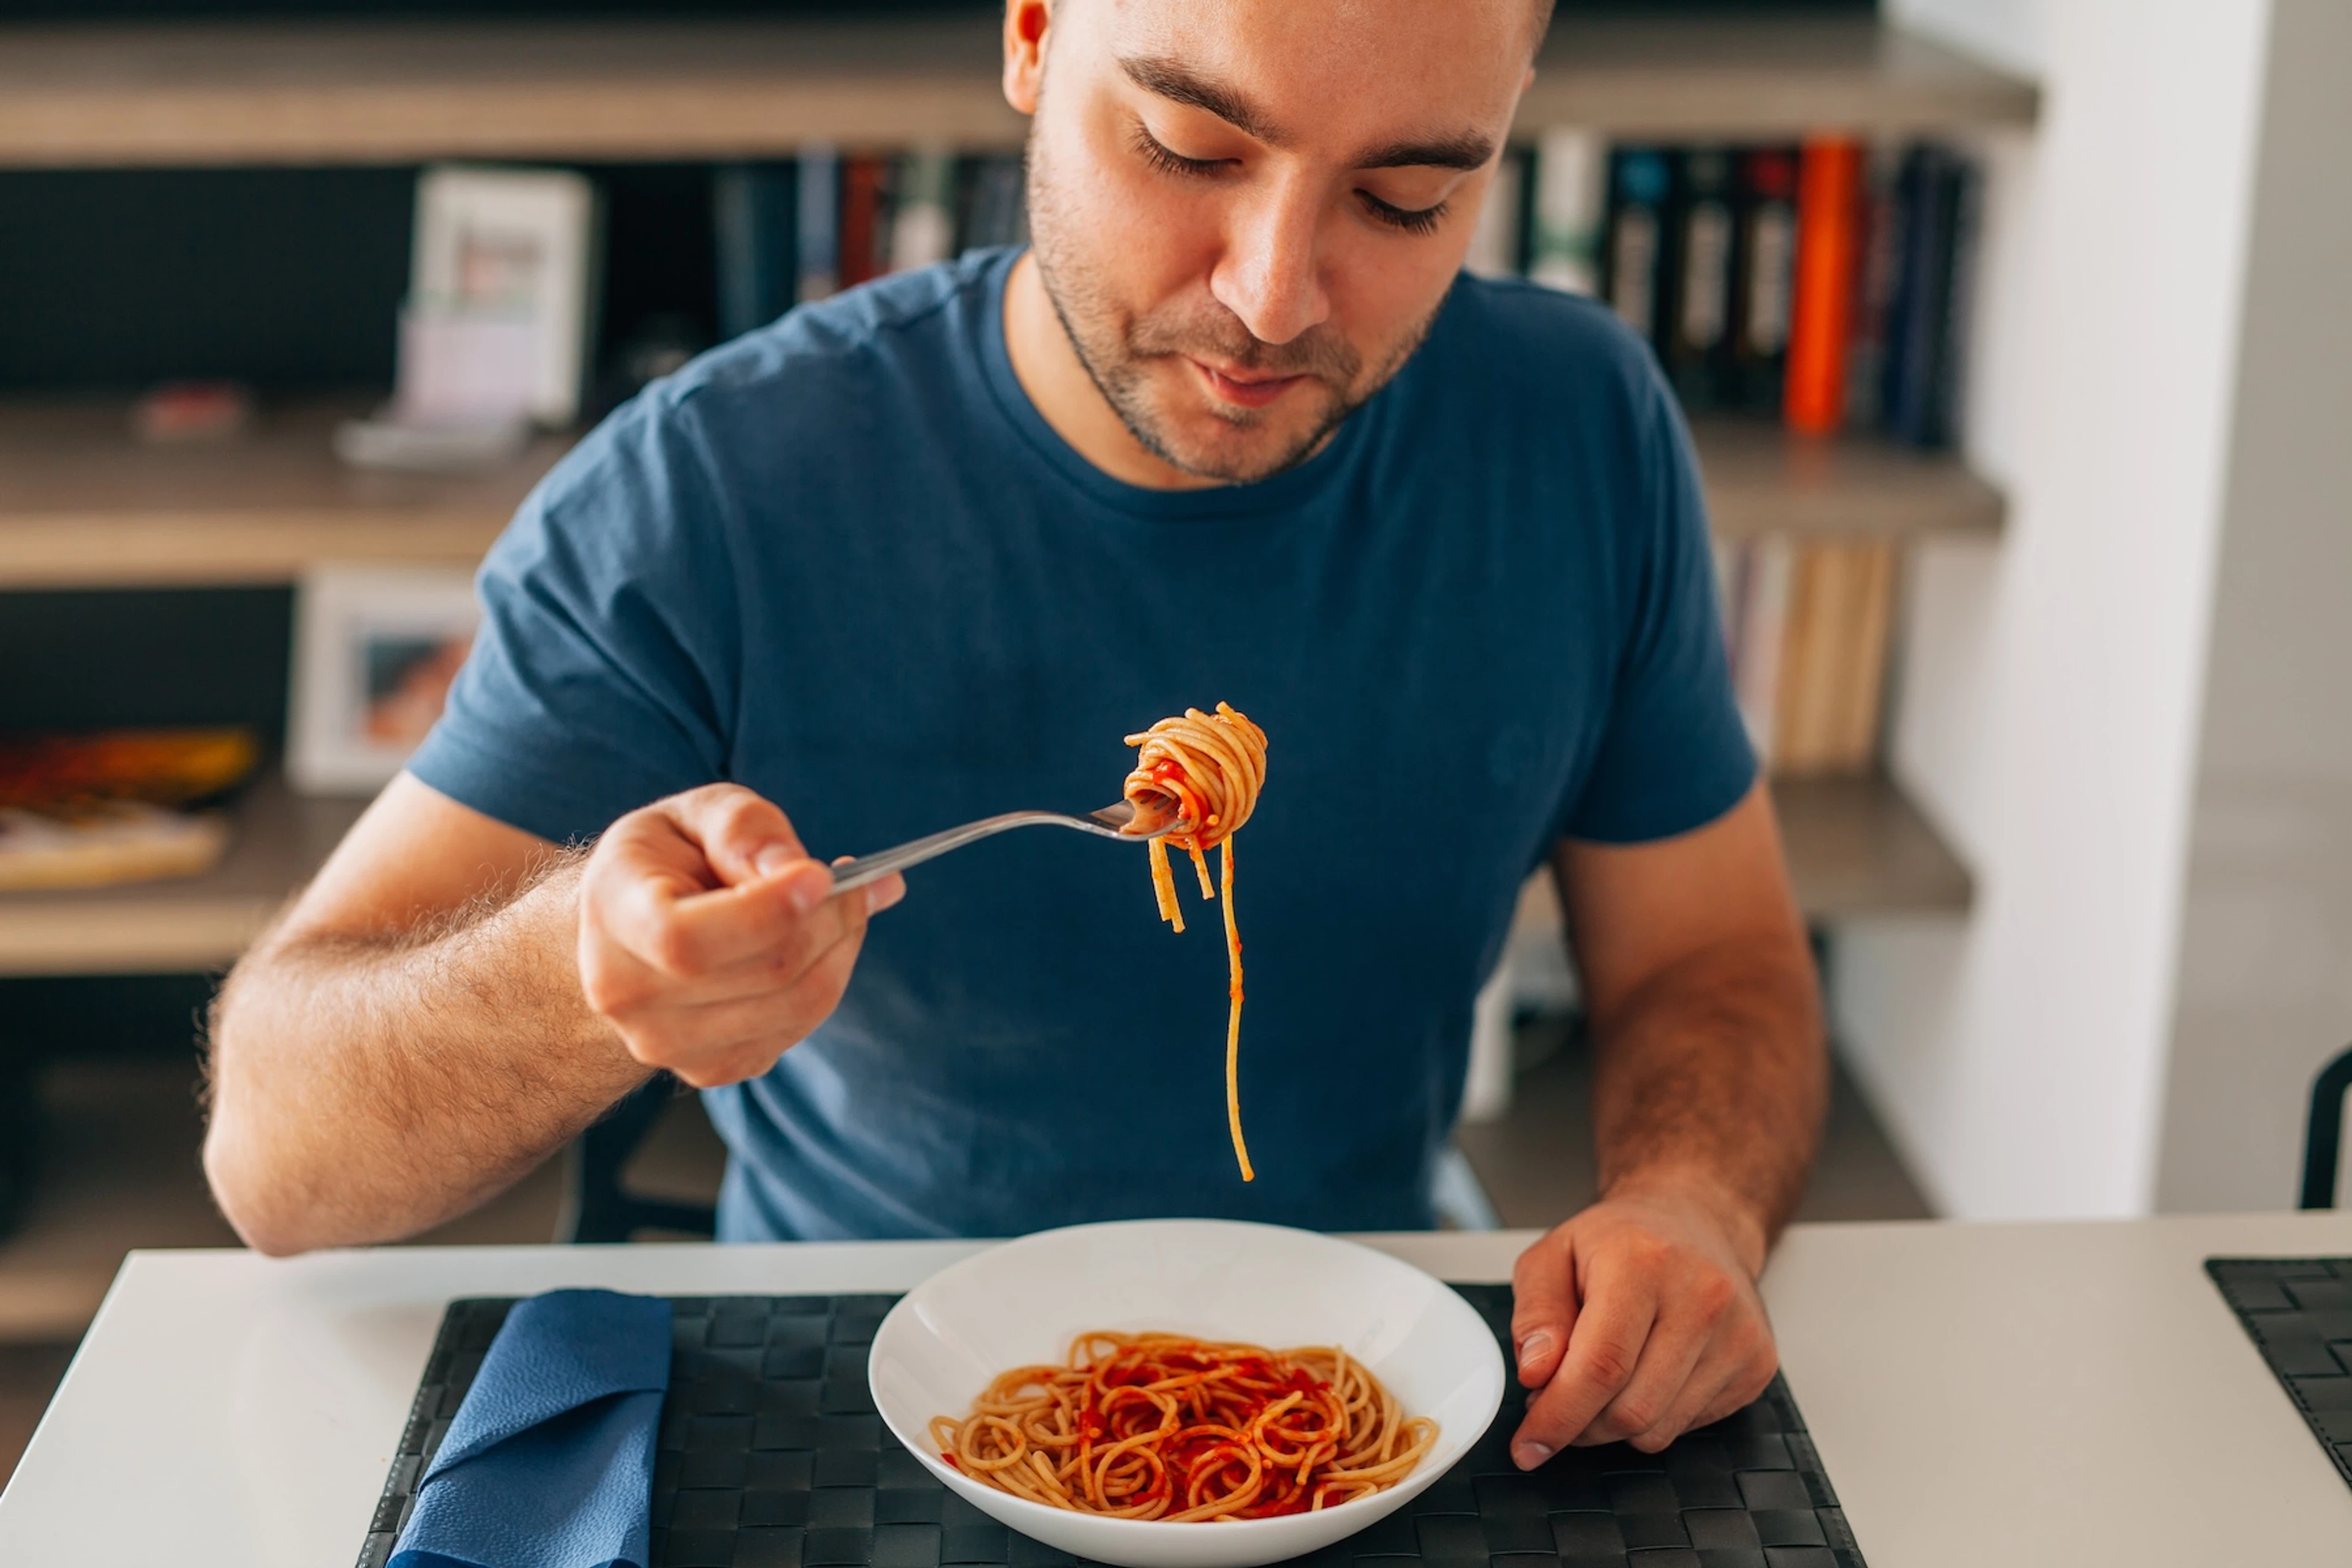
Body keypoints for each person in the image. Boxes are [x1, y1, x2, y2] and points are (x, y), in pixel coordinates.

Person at [203, 0, 1825, 1469]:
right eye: (1190, 147)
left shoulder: (1576, 434)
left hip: (1369, 1381)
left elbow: (1715, 963)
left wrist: (1691, 1201)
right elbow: (277, 1164)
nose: (1270, 295)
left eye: (1405, 197)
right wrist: (581, 972)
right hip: (852, 1398)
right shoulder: (715, 494)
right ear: (1034, 39)